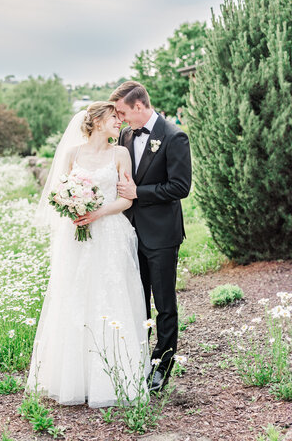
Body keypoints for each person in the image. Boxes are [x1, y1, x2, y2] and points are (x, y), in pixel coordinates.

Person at [26, 102, 149, 408]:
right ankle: (72, 378)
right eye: (113, 118)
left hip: (110, 233)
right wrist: (72, 209)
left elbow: (126, 200)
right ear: (95, 122)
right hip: (77, 237)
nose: (118, 122)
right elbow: (59, 194)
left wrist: (96, 213)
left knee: (110, 297)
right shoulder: (72, 154)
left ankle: (113, 378)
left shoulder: (120, 154)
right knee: (75, 297)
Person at [109, 82, 191, 392]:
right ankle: (140, 360)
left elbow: (180, 187)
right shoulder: (125, 135)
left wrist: (137, 193)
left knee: (165, 304)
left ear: (140, 107)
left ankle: (162, 366)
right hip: (130, 233)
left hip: (161, 235)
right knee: (136, 300)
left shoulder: (174, 137)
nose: (120, 118)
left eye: (123, 112)